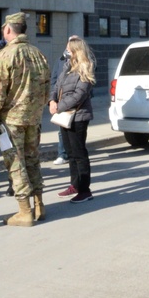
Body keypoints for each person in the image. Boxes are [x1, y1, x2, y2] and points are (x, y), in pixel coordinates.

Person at [0, 11, 51, 226]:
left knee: (16, 163)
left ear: (7, 30)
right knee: (33, 160)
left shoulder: (6, 55)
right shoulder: (38, 54)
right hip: (33, 118)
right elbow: (46, 89)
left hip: (11, 120)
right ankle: (39, 205)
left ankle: (25, 211)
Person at [49, 37, 96, 203]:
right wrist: (52, 100)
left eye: (69, 49)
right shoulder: (67, 66)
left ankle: (85, 190)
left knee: (79, 153)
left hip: (78, 116)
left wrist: (59, 106)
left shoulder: (85, 67)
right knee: (70, 153)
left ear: (77, 50)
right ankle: (74, 185)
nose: (66, 51)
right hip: (64, 115)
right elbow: (57, 85)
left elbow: (80, 94)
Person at [49, 39, 77, 166]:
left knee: (76, 130)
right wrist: (52, 100)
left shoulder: (85, 62)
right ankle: (63, 154)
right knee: (62, 129)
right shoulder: (60, 60)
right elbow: (54, 80)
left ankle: (75, 153)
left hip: (77, 103)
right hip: (62, 100)